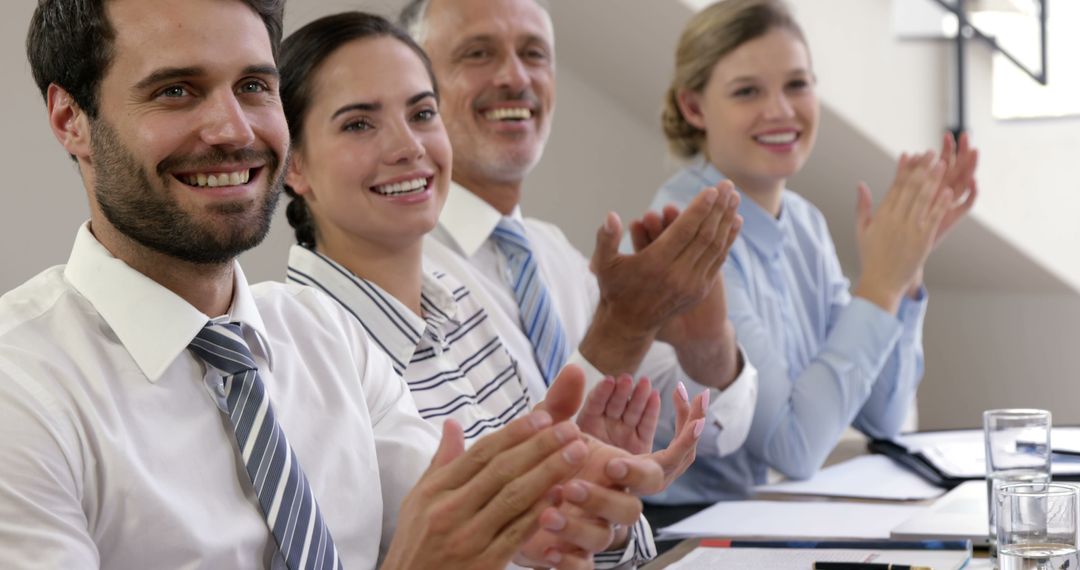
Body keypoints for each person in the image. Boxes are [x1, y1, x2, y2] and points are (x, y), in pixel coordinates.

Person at [0, 0, 658, 567]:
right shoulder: (22, 391)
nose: (233, 130)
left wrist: (571, 503)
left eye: (255, 88)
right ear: (70, 120)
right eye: (176, 90)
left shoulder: (324, 336)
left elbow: (495, 540)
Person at [276, 12, 696, 567]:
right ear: (293, 164)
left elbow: (607, 546)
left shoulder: (458, 300)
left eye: (423, 113)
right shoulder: (295, 349)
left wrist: (594, 499)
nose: (409, 147)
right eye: (358, 124)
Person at [397, 0, 759, 480]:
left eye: (534, 54)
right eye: (478, 53)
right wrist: (624, 329)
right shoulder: (401, 271)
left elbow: (713, 435)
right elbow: (494, 497)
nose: (515, 78)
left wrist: (707, 343)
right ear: (413, 91)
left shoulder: (553, 254)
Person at [640, 0, 979, 502]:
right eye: (747, 91)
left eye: (797, 84)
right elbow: (793, 446)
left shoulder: (803, 222)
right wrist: (880, 286)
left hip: (767, 521)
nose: (780, 110)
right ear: (694, 107)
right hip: (683, 536)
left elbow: (882, 417)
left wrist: (906, 269)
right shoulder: (684, 232)